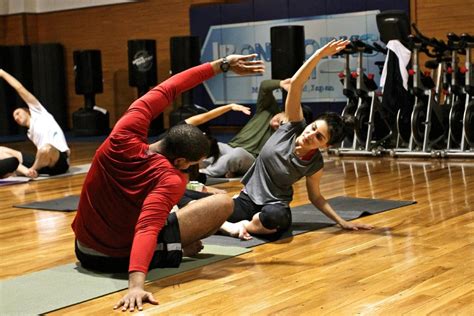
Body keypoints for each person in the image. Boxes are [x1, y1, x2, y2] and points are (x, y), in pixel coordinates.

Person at [71, 54, 264, 312]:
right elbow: (147, 227)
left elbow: (170, 86)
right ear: (182, 160)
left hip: (82, 248)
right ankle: (174, 247)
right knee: (221, 203)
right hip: (114, 258)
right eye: (195, 163)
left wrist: (222, 64)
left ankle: (175, 245)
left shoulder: (123, 131)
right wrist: (136, 285)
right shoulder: (170, 178)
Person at [218, 40, 374, 240]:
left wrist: (341, 221)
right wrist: (318, 55)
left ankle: (243, 225)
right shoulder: (292, 126)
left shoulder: (315, 163)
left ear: (325, 146)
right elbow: (296, 84)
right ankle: (234, 224)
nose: (310, 134)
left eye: (319, 137)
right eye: (313, 128)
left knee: (276, 219)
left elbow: (315, 197)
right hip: (247, 198)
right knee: (208, 213)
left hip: (274, 205)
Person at [200, 78, 313, 178]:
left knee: (237, 154)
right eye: (279, 120)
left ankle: (204, 173)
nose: (276, 125)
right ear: (283, 111)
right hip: (230, 147)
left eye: (283, 124)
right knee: (215, 146)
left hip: (253, 160)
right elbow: (264, 86)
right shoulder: (266, 110)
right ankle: (195, 166)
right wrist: (281, 83)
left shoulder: (289, 135)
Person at [0, 69, 70, 178]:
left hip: (57, 160)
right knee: (1, 150)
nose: (16, 118)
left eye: (18, 113)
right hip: (41, 160)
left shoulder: (39, 112)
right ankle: (24, 171)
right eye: (14, 118)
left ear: (27, 110)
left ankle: (31, 170)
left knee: (46, 148)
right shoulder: (29, 133)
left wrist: (2, 73)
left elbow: (19, 88)